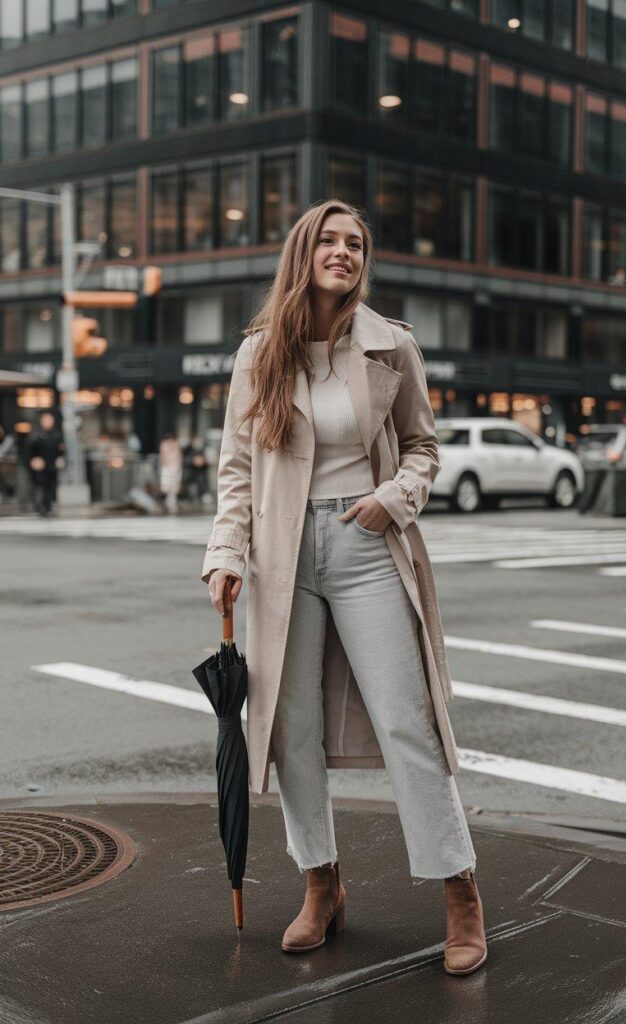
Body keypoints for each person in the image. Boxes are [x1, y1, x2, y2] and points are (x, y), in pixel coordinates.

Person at [201, 199, 487, 976]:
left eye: (355, 242)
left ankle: (459, 890)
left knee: (407, 722)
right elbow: (235, 470)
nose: (343, 252)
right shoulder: (259, 353)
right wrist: (225, 552)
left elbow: (423, 446)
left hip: (364, 544)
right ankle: (320, 883)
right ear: (304, 253)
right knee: (290, 729)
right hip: (281, 556)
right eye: (328, 241)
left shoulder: (391, 344)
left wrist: (391, 500)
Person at [27, 411, 65, 516]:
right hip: (39, 467)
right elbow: (30, 451)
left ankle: (48, 506)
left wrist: (60, 459)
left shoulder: (57, 435)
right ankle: (38, 506)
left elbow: (61, 451)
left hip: (52, 466)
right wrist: (34, 460)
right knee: (40, 486)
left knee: (51, 486)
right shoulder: (36, 436)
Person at [158, 433, 182, 513]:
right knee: (167, 486)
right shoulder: (164, 445)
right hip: (167, 468)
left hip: (175, 467)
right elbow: (163, 456)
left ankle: (172, 503)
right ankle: (169, 503)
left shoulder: (176, 445)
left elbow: (179, 457)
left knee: (174, 486)